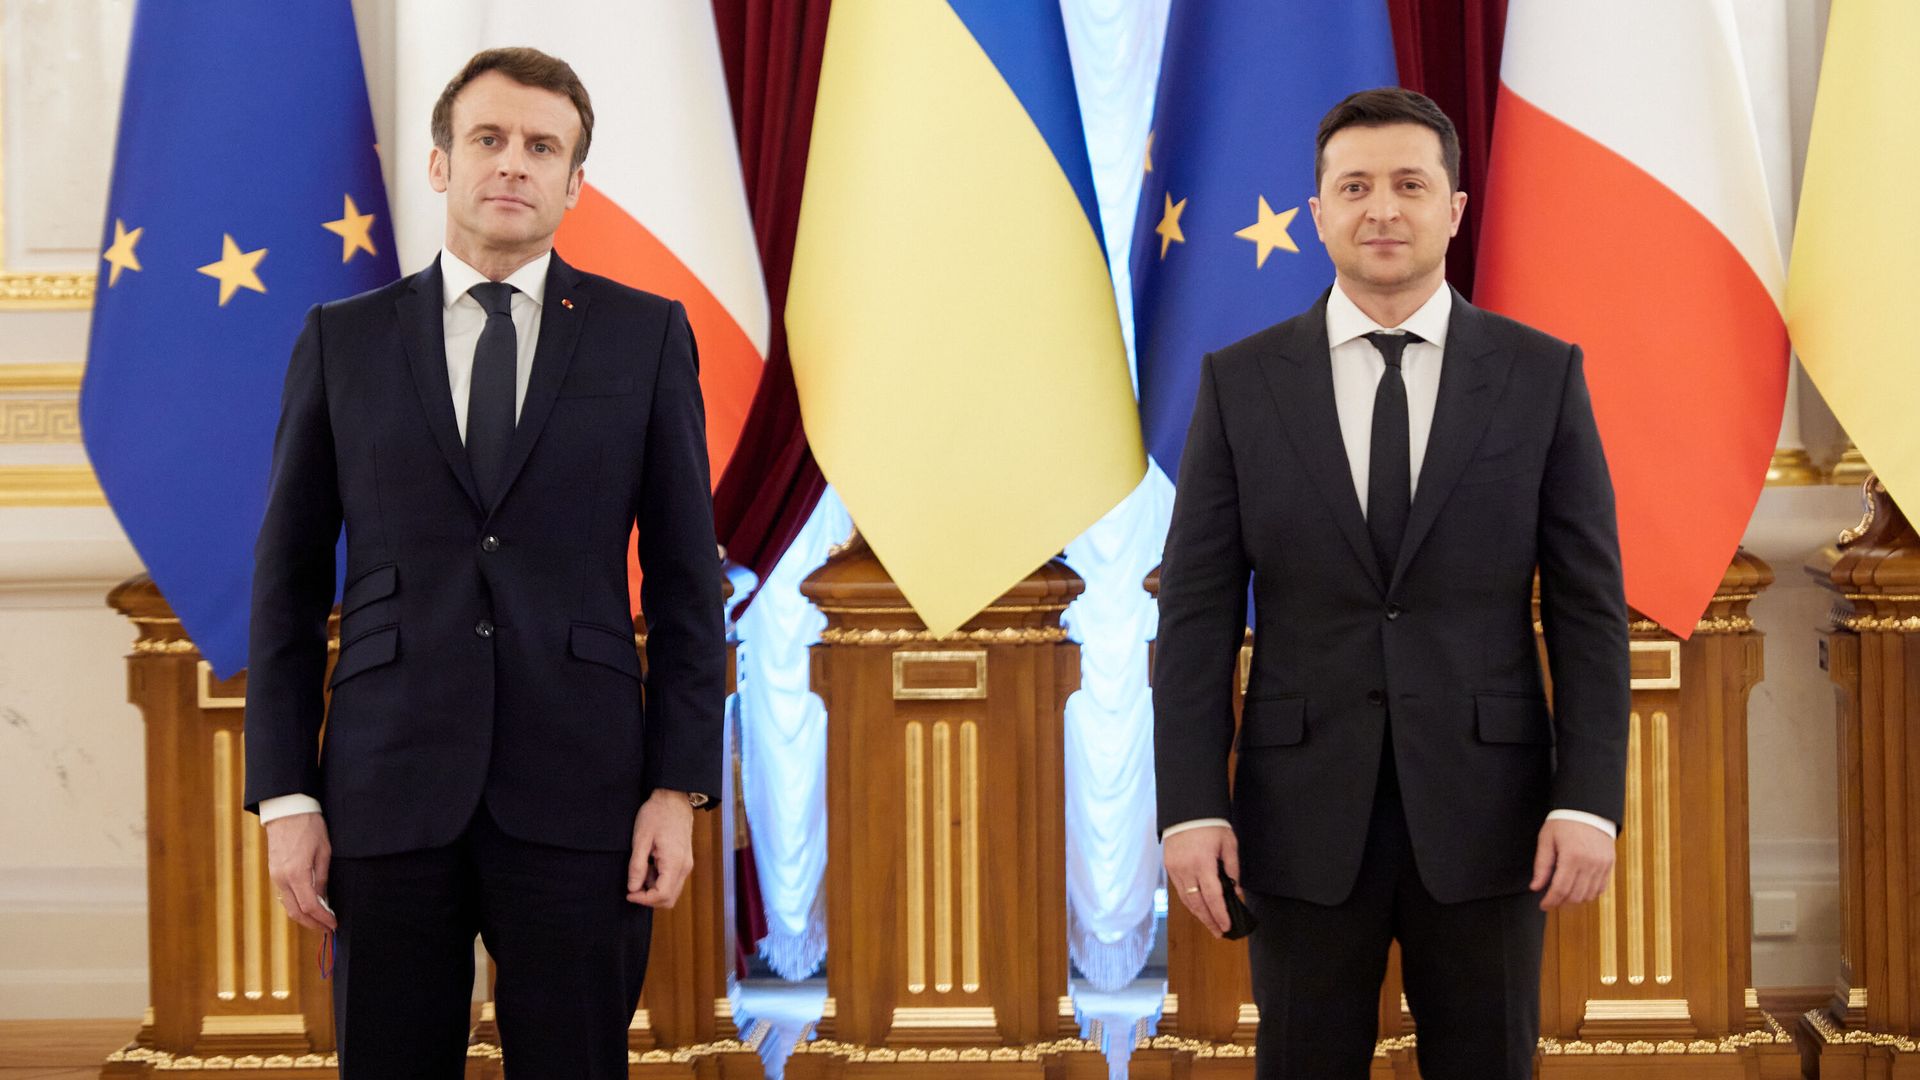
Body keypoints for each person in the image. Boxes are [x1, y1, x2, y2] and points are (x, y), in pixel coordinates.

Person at [243, 47, 724, 1078]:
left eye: (542, 147)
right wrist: (287, 798)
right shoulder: (341, 340)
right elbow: (284, 589)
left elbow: (691, 587)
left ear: (574, 182)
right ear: (440, 164)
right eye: (489, 139)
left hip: (584, 789)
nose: (513, 164)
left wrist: (676, 791)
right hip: (385, 789)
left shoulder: (644, 339)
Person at [1153, 87, 1629, 1080]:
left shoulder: (1542, 377)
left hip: (1491, 814)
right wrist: (1192, 804)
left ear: (1454, 209)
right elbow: (1196, 616)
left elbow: (1587, 611)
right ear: (1317, 210)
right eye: (1354, 186)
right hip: (1299, 814)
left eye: (1411, 184)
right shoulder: (1240, 384)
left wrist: (1588, 800)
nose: (1383, 209)